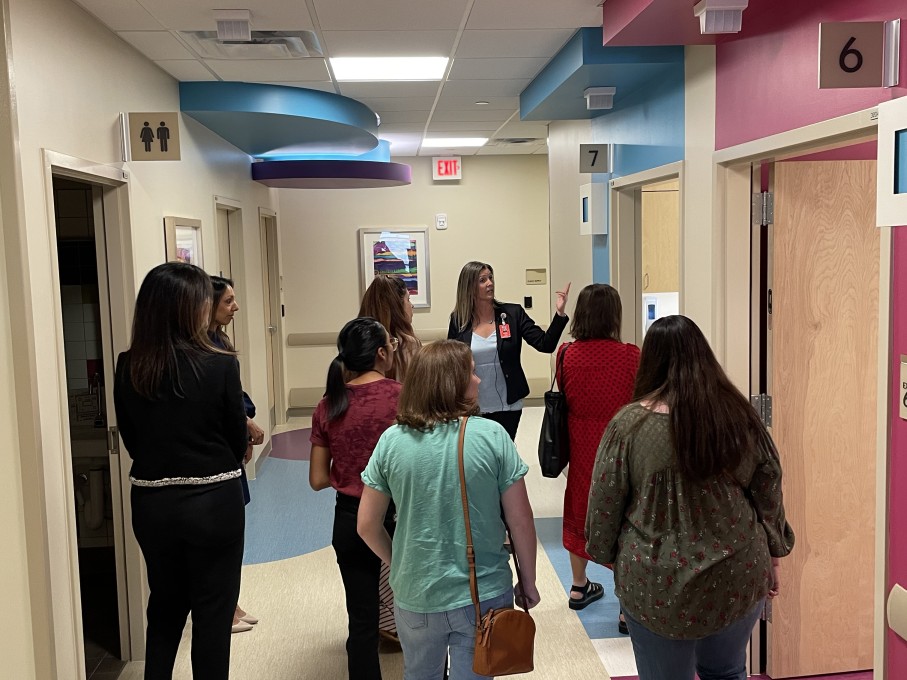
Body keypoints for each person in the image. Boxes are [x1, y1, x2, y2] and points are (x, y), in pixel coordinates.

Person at [585, 315, 795, 680]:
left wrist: (609, 557)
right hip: (738, 572)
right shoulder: (740, 417)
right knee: (728, 671)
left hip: (656, 582)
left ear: (649, 361)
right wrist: (773, 553)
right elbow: (768, 487)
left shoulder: (628, 426)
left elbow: (603, 509)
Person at [358, 340, 541, 680]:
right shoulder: (492, 437)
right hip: (481, 594)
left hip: (416, 595)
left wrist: (400, 564)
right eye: (471, 372)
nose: (479, 380)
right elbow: (520, 520)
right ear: (451, 383)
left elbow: (367, 524)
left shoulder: (392, 440)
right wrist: (528, 581)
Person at [113, 262, 248, 680]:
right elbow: (235, 438)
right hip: (214, 502)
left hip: (152, 503)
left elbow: (132, 439)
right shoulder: (220, 363)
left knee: (165, 605)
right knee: (213, 610)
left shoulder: (128, 364)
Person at [308, 317, 402, 680]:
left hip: (349, 519)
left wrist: (351, 472)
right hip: (400, 517)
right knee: (419, 610)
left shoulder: (328, 405)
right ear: (381, 353)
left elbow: (317, 479)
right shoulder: (401, 395)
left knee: (362, 620)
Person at [556, 284, 639, 626]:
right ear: (614, 316)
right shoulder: (633, 355)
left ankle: (578, 587)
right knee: (624, 516)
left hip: (582, 444)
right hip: (621, 446)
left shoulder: (566, 355)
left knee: (581, 509)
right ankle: (625, 605)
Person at [358, 274, 422, 643]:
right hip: (402, 450)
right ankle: (392, 620)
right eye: (408, 299)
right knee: (398, 533)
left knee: (371, 530)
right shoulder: (406, 345)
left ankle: (377, 616)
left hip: (364, 457)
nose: (412, 306)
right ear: (398, 303)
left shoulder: (358, 344)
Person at [448, 260, 570, 440]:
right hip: (473, 404)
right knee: (479, 456)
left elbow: (545, 344)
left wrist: (559, 315)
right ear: (469, 287)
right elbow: (451, 361)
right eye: (482, 280)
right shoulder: (459, 321)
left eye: (490, 278)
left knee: (504, 453)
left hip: (508, 402)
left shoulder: (512, 314)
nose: (490, 283)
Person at [208, 275, 266, 633]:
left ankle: (232, 602)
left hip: (232, 446)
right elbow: (221, 401)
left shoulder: (220, 339)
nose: (236, 307)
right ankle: (223, 609)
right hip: (218, 455)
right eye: (229, 301)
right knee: (221, 537)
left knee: (234, 531)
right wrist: (244, 424)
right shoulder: (204, 346)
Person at [359, 274, 422, 382]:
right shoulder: (409, 345)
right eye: (408, 299)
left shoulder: (356, 342)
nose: (412, 305)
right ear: (396, 307)